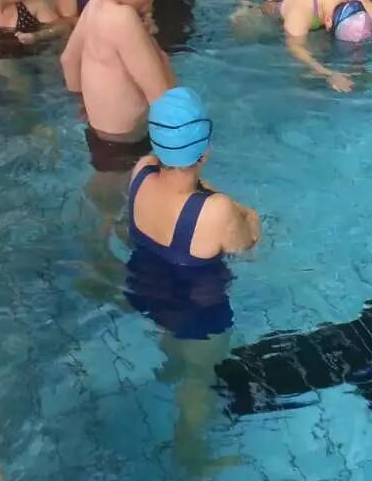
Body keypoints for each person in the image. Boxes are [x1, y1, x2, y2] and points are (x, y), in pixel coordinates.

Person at [124, 86, 260, 475]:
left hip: (146, 287)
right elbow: (246, 247)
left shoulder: (141, 171)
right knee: (200, 378)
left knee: (173, 335)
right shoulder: (216, 210)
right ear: (205, 152)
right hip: (198, 311)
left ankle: (172, 364)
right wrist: (251, 216)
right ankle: (190, 456)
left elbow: (195, 191)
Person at [61, 0, 176, 177]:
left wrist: (83, 103)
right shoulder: (124, 19)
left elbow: (68, 59)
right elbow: (163, 97)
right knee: (118, 195)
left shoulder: (97, 1)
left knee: (105, 189)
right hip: (127, 140)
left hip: (100, 133)